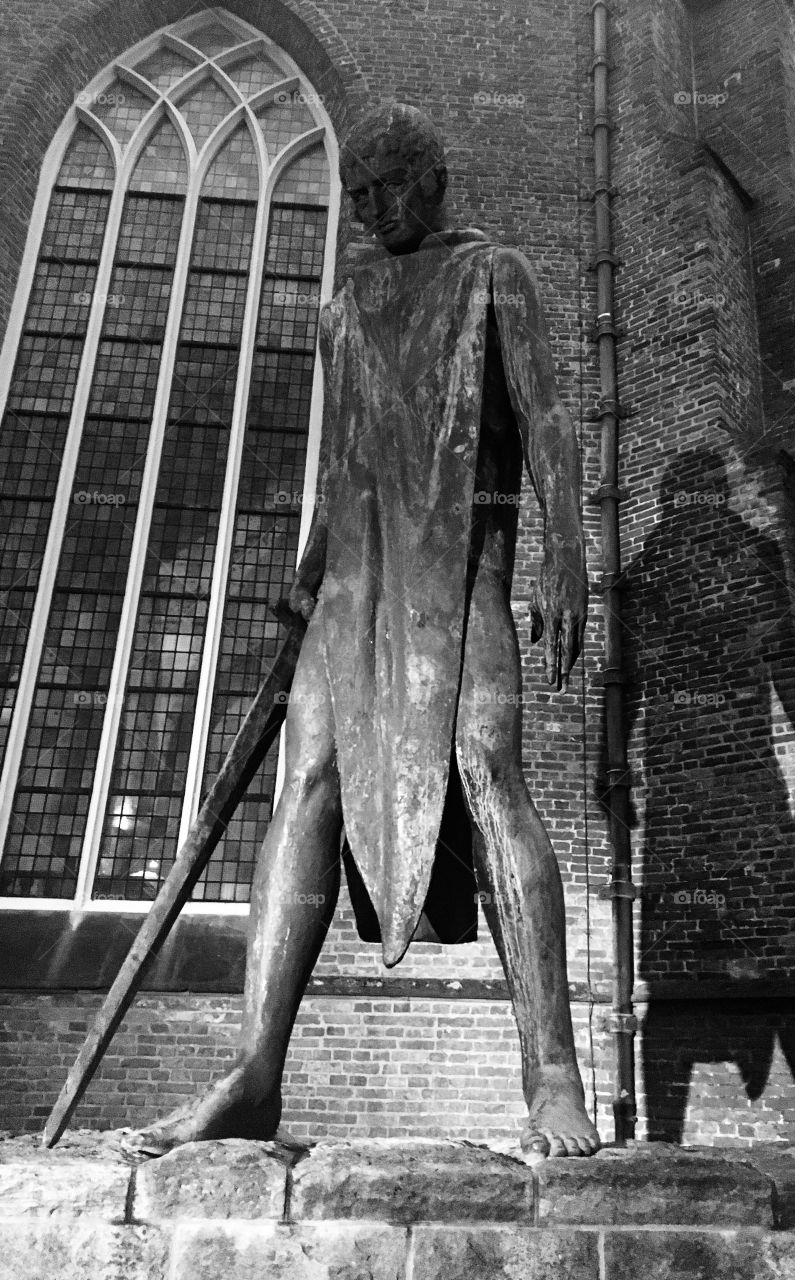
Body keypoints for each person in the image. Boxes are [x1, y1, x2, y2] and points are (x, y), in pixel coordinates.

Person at [125, 102, 600, 1160]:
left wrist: (568, 549)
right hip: (354, 575)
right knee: (309, 778)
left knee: (486, 764)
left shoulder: (495, 273)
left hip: (459, 557)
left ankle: (552, 1073)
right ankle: (255, 1069)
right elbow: (342, 461)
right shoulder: (347, 300)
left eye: (387, 185)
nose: (372, 206)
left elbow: (549, 411)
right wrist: (304, 580)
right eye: (357, 191)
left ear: (434, 178)